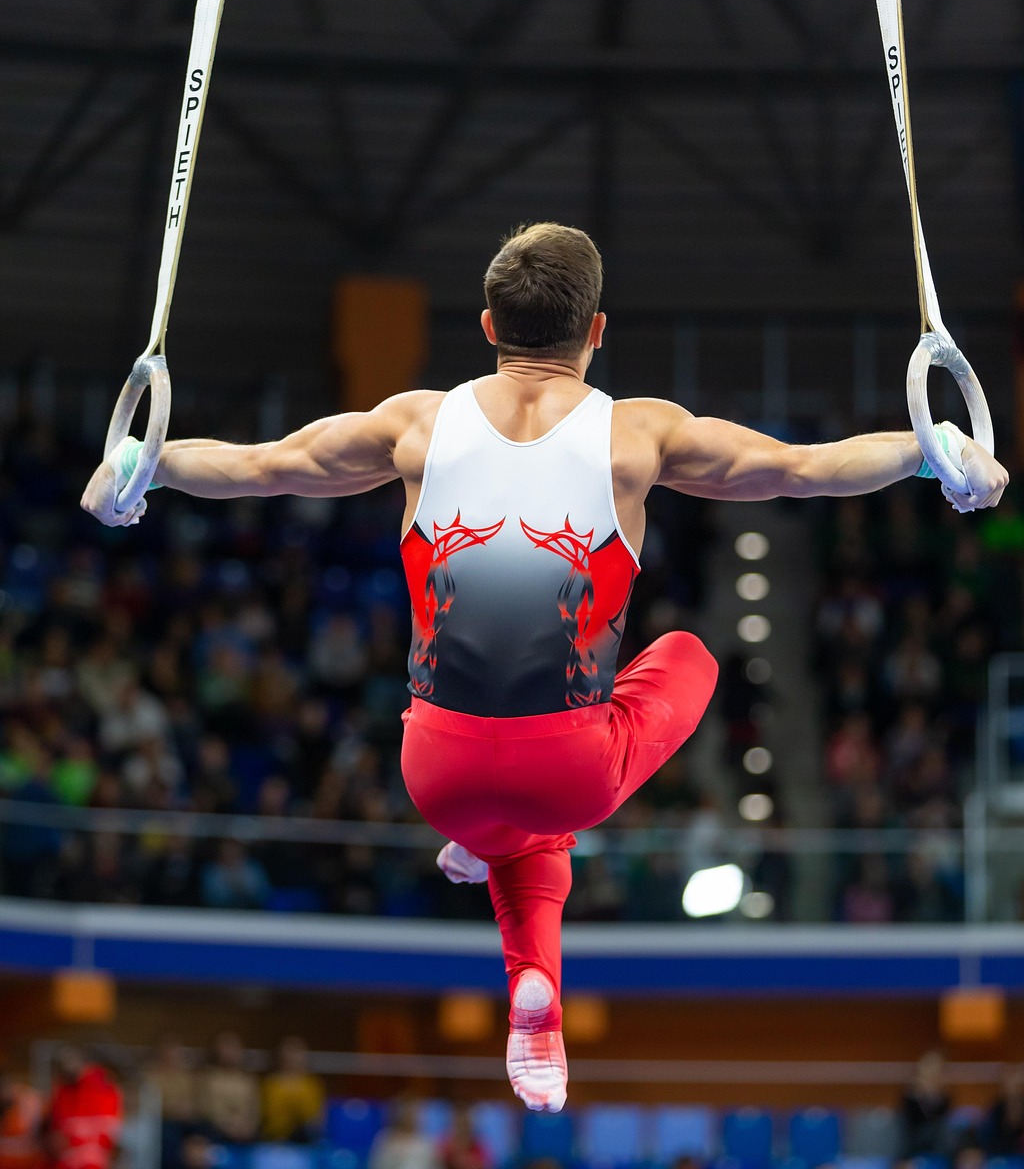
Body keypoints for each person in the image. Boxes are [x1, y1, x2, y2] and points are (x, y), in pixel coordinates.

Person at [82, 222, 1009, 1113]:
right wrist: (932, 452)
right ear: (597, 332)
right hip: (569, 771)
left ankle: (522, 953)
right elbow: (803, 470)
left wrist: (140, 463)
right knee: (684, 657)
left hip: (434, 766)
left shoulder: (416, 424)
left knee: (505, 813)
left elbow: (260, 467)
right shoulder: (638, 436)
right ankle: (508, 897)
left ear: (487, 327)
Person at [43, 1046, 121, 1169]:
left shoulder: (103, 1088)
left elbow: (107, 1128)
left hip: (89, 1159)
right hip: (69, 1158)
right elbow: (57, 1124)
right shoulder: (63, 1090)